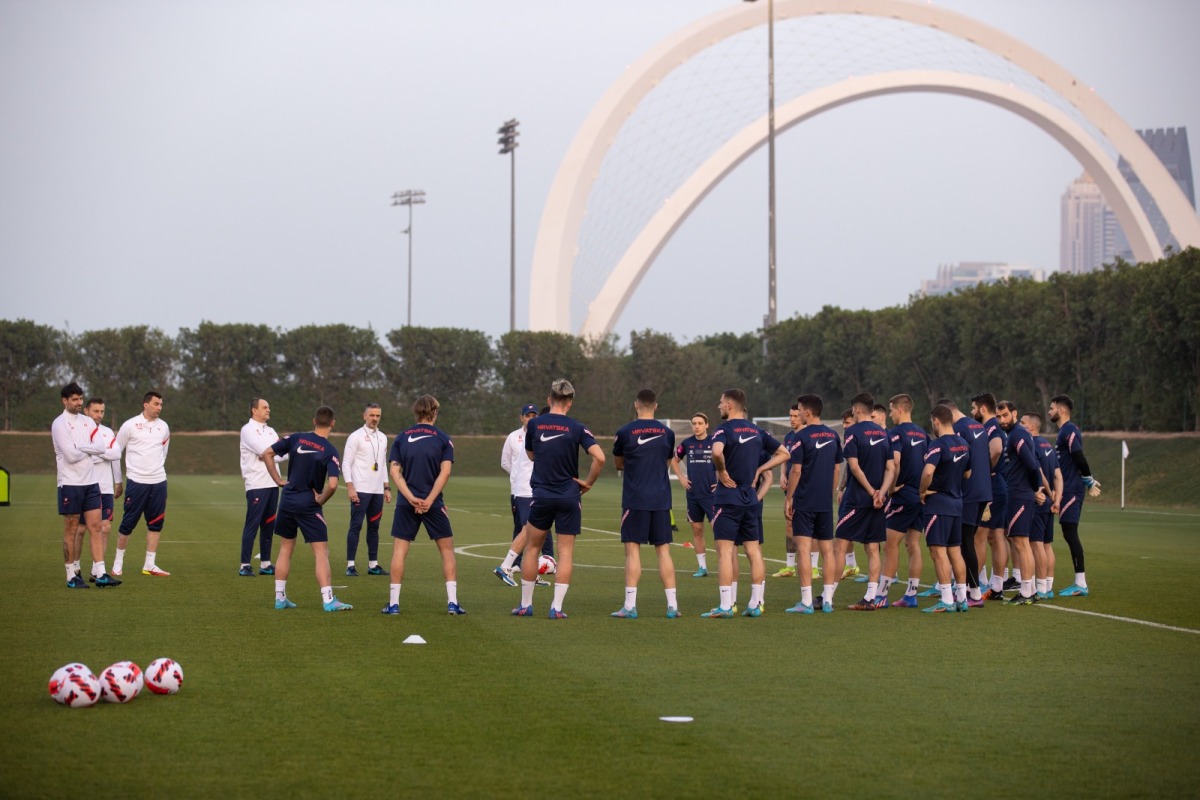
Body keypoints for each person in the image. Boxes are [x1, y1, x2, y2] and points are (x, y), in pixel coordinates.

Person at [512, 379, 605, 619]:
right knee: (565, 553)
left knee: (532, 548)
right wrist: (588, 482)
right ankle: (557, 608)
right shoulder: (577, 427)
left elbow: (531, 455)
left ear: (548, 400)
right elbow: (600, 458)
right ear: (570, 403)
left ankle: (526, 605)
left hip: (541, 494)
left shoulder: (535, 425)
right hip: (569, 495)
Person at [700, 388, 788, 618]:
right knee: (753, 551)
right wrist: (761, 469)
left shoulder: (723, 429)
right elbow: (784, 453)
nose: (718, 406)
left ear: (730, 405)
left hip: (727, 498)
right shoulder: (758, 431)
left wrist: (721, 471)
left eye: (721, 402)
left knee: (726, 552)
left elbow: (717, 452)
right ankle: (756, 603)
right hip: (750, 499)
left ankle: (726, 605)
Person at [262, 405, 351, 612]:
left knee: (285, 548)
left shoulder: (296, 438)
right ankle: (328, 600)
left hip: (287, 500)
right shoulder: (330, 450)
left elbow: (267, 453)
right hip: (308, 504)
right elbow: (332, 484)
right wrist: (320, 501)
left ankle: (280, 598)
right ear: (332, 423)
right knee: (321, 553)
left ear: (314, 421)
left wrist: (277, 480)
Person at [382, 395, 464, 615]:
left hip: (405, 503)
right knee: (447, 551)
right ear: (434, 413)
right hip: (434, 503)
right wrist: (428, 500)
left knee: (399, 551)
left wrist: (410, 497)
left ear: (415, 412)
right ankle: (452, 603)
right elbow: (445, 472)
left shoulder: (401, 438)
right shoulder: (443, 439)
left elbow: (394, 472)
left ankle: (394, 604)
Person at [611, 389, 679, 619]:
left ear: (635, 405)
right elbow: (667, 461)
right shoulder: (668, 433)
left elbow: (618, 464)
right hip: (661, 499)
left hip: (635, 499)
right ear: (656, 406)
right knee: (664, 552)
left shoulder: (624, 432)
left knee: (632, 551)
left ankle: (630, 606)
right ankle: (672, 606)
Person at [51, 383, 120, 588]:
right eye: (74, 399)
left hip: (91, 483)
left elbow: (100, 447)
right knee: (72, 529)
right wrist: (88, 450)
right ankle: (71, 575)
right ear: (65, 401)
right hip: (70, 483)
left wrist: (82, 447)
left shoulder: (88, 422)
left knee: (96, 527)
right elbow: (71, 457)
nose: (79, 403)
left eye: (81, 399)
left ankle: (100, 573)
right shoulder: (59, 424)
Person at [783, 394, 843, 614]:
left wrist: (789, 498)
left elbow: (796, 470)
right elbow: (837, 469)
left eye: (799, 410)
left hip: (805, 501)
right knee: (828, 551)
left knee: (804, 550)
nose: (797, 414)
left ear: (807, 412)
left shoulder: (801, 437)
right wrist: (830, 492)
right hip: (824, 503)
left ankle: (807, 602)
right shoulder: (834, 435)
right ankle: (827, 601)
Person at [834, 393, 890, 611]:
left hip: (858, 499)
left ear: (856, 410)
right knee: (873, 548)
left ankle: (827, 596)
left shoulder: (852, 431)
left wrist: (870, 491)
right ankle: (870, 598)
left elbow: (854, 467)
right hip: (879, 501)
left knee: (840, 545)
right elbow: (891, 468)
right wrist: (881, 493)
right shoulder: (884, 434)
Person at [494, 404, 555, 586]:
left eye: (534, 415)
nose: (532, 418)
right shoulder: (522, 436)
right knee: (529, 530)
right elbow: (507, 462)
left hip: (536, 489)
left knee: (535, 531)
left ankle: (530, 572)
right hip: (526, 490)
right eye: (528, 415)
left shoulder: (536, 434)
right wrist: (517, 476)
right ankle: (506, 566)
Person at [996, 400, 1051, 605]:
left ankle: (1028, 592)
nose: (1002, 420)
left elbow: (1031, 464)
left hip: (1019, 494)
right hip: (1019, 493)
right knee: (1022, 543)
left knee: (1021, 543)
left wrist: (1036, 488)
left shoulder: (1017, 435)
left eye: (1005, 415)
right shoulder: (1016, 434)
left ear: (1014, 413)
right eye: (999, 416)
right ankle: (1029, 590)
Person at [918, 404, 971, 613]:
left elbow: (928, 472)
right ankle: (962, 599)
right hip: (957, 503)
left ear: (936, 421)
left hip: (938, 504)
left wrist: (922, 491)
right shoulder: (964, 444)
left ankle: (947, 600)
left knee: (938, 552)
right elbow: (968, 474)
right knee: (955, 551)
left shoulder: (937, 445)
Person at [113, 390, 171, 577]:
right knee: (128, 523)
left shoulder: (164, 427)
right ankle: (117, 563)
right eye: (156, 404)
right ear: (145, 404)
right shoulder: (129, 425)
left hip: (159, 482)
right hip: (137, 482)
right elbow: (115, 453)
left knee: (156, 524)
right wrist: (118, 481)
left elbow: (163, 453)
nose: (159, 408)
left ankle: (149, 564)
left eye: (161, 404)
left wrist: (156, 472)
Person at [940, 397, 990, 607]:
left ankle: (975, 593)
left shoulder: (959, 429)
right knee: (967, 540)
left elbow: (959, 462)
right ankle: (970, 588)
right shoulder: (978, 426)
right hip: (983, 490)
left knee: (965, 542)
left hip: (967, 492)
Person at [881, 393, 928, 609]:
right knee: (913, 544)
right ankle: (911, 595)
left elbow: (896, 462)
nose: (889, 414)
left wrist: (891, 488)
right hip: (919, 495)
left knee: (891, 546)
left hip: (903, 494)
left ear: (900, 409)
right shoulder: (922, 432)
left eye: (891, 410)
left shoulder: (896, 433)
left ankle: (881, 595)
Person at [1050, 394, 1098, 597]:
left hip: (1071, 489)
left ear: (1061, 410)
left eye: (1052, 408)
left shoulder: (1069, 430)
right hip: (1066, 488)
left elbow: (1079, 456)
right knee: (1068, 532)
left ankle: (1081, 583)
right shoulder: (1065, 431)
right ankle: (1080, 582)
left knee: (1070, 533)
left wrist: (1089, 479)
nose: (1050, 411)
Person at [343, 403, 392, 577]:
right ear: (364, 416)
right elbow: (346, 463)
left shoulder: (383, 437)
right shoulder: (355, 437)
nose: (374, 419)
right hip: (360, 490)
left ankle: (373, 564)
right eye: (372, 415)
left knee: (374, 527)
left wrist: (386, 487)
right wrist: (350, 487)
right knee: (355, 526)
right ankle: (350, 565)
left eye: (377, 416)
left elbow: (384, 464)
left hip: (377, 491)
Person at [239, 397, 284, 576]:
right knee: (253, 523)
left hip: (273, 482)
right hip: (256, 484)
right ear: (254, 410)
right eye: (265, 407)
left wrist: (269, 454)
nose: (268, 410)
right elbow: (265, 451)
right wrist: (269, 453)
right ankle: (244, 565)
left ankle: (265, 564)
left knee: (268, 525)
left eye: (269, 407)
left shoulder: (271, 431)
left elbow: (279, 454)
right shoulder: (247, 430)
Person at [971, 392, 1009, 600]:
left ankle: (974, 585)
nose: (972, 412)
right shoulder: (992, 426)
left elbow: (996, 450)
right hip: (998, 483)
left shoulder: (991, 426)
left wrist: (982, 471)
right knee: (996, 537)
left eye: (973, 408)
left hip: (992, 484)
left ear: (982, 408)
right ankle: (997, 586)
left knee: (980, 536)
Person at [81, 398, 123, 582]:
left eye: (102, 412)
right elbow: (79, 454)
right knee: (81, 529)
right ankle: (74, 569)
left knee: (105, 528)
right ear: (86, 411)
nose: (99, 415)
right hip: (84, 485)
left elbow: (116, 454)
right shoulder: (80, 432)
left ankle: (96, 571)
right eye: (95, 411)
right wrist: (102, 453)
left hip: (105, 489)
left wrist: (118, 481)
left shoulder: (107, 432)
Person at [1023, 411, 1063, 599]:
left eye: (1023, 423)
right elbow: (1058, 476)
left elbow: (1040, 474)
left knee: (1036, 544)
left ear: (1031, 426)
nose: (1020, 426)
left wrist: (1047, 494)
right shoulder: (1048, 445)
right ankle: (1048, 586)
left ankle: (1040, 588)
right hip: (1049, 501)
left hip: (1039, 500)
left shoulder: (1030, 444)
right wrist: (1057, 500)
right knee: (1047, 545)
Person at [671, 413, 716, 578]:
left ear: (706, 425)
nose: (696, 426)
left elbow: (728, 460)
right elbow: (674, 460)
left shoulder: (715, 442)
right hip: (693, 495)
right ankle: (702, 567)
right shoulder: (687, 444)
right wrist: (681, 477)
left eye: (699, 423)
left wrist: (721, 480)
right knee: (697, 530)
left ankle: (725, 564)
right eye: (694, 423)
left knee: (718, 530)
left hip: (711, 495)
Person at [772, 404, 803, 578]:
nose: (792, 419)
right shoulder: (789, 437)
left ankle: (813, 567)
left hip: (805, 488)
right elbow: (784, 456)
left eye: (796, 416)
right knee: (789, 522)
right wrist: (783, 474)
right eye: (790, 416)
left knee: (809, 528)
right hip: (790, 487)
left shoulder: (807, 436)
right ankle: (790, 566)